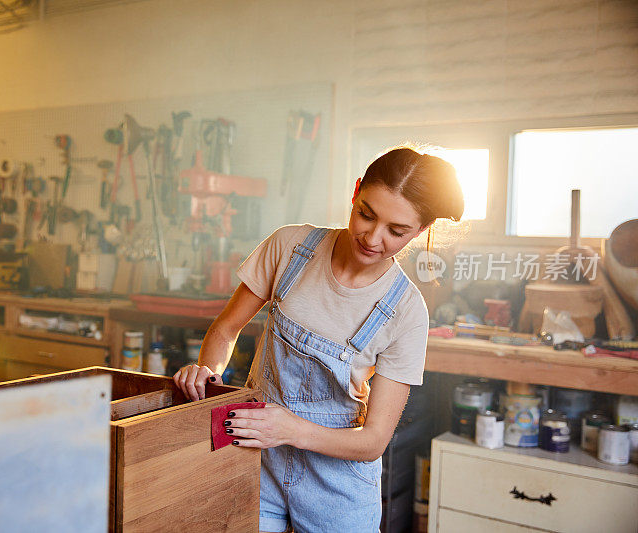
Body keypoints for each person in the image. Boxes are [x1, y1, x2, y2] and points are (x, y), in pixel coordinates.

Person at [173, 145, 464, 532]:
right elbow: (226, 330)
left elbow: (374, 441)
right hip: (256, 459)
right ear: (356, 190)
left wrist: (290, 429)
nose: (373, 238)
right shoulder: (290, 248)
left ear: (422, 231)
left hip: (338, 485)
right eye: (366, 214)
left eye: (397, 231)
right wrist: (206, 373)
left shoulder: (407, 312)